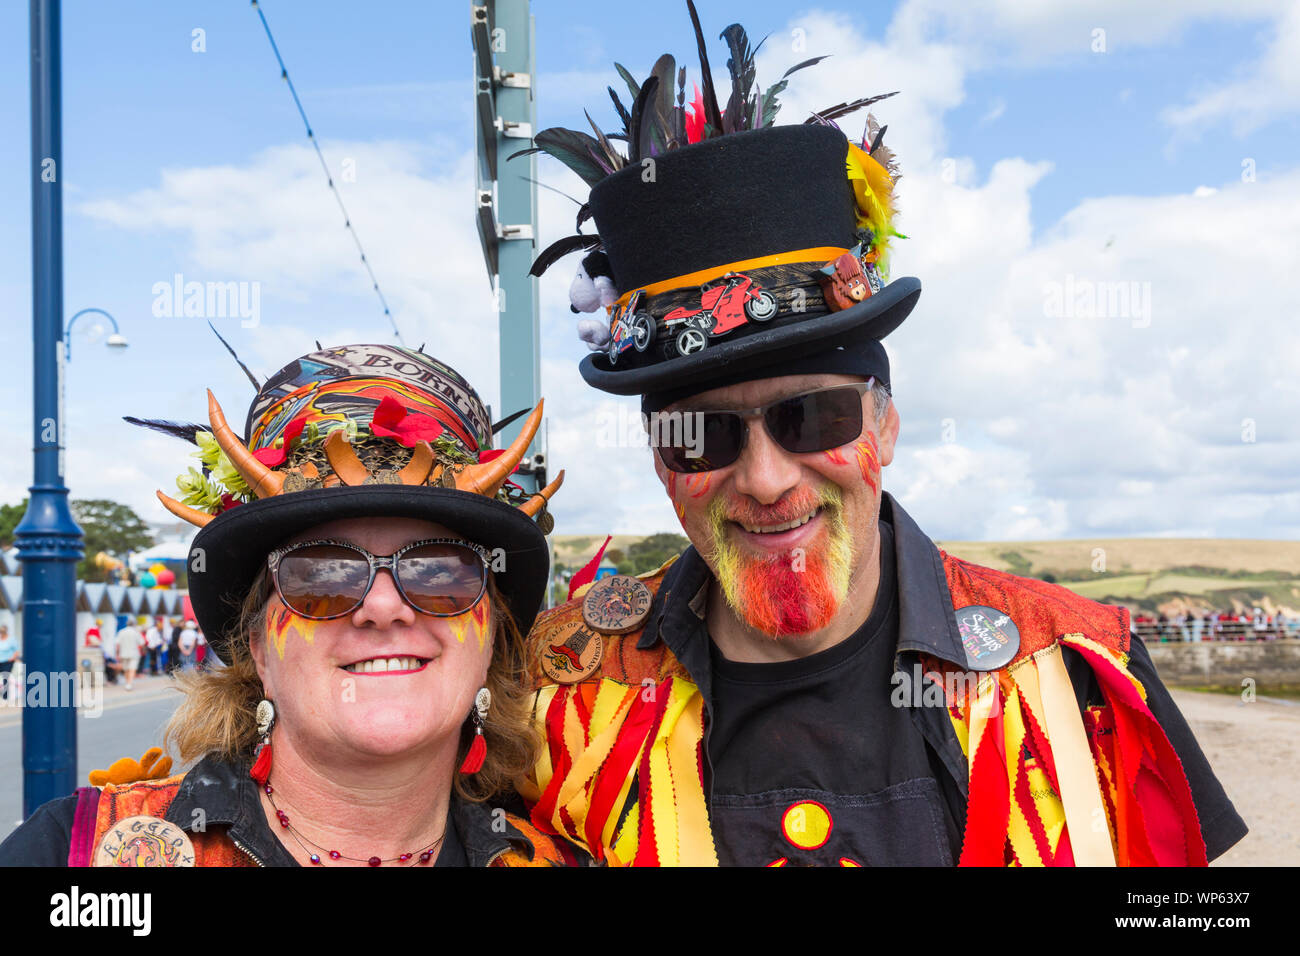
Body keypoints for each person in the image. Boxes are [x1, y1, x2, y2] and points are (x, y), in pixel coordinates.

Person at [516, 10, 1246, 866]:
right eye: (702, 437)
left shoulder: (1080, 669)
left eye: (811, 417)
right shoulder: (562, 689)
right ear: (659, 460)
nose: (762, 478)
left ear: (885, 424)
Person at [0, 343, 571, 867]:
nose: (383, 606)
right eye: (320, 575)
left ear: (492, 635)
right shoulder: (72, 852)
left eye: (438, 572)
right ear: (257, 649)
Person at [115, 619, 144, 691]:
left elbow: (117, 644)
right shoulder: (136, 632)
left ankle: (127, 682)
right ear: (133, 624)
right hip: (134, 653)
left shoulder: (121, 632)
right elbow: (142, 643)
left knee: (126, 669)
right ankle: (129, 684)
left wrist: (117, 654)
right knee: (132, 669)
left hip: (123, 653)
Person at [0, 625, 18, 702]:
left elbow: (16, 651)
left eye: (2, 632)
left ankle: (5, 697)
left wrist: (12, 658)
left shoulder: (11, 640)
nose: (1, 633)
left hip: (8, 662)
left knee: (5, 678)